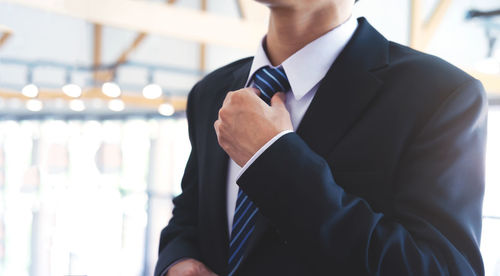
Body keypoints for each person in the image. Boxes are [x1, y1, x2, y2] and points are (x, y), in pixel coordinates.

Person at [154, 0, 487, 275]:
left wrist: (272, 159)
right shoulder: (210, 92)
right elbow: (188, 215)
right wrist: (178, 262)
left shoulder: (441, 95)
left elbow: (443, 268)